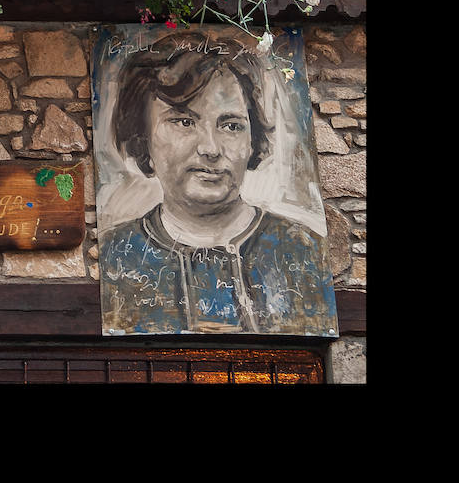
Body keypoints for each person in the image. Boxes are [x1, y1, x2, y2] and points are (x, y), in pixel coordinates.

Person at [98, 33, 337, 335]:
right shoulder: (115, 256)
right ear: (142, 135)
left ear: (253, 140)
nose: (210, 148)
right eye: (184, 121)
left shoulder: (305, 252)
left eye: (230, 125)